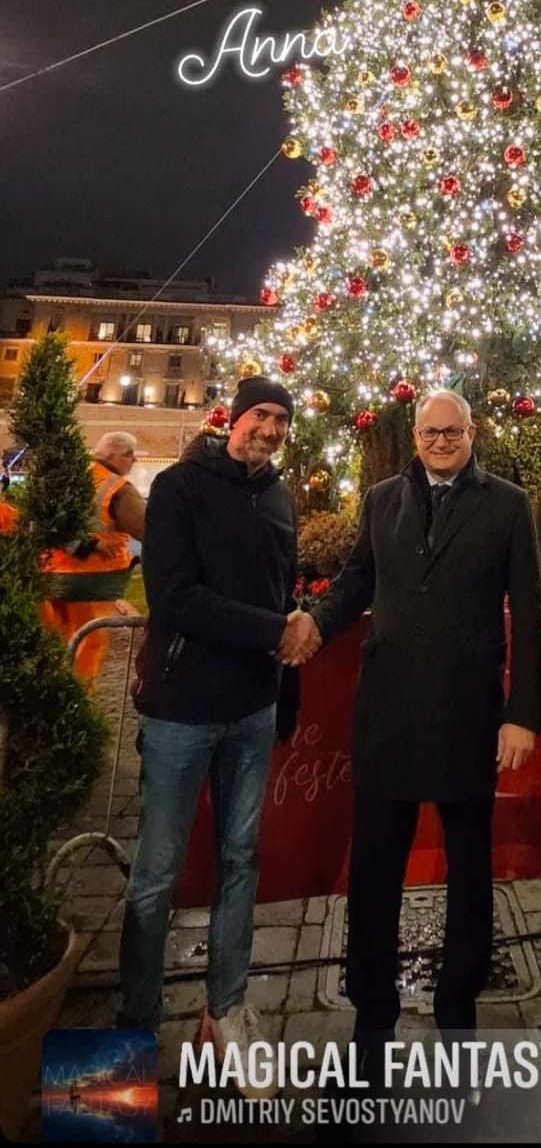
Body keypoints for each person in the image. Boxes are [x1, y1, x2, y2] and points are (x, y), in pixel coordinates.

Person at [306, 388, 541, 1067]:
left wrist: (522, 711)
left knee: (471, 871)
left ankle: (457, 1003)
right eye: (430, 432)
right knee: (375, 873)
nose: (441, 442)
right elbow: (354, 584)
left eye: (453, 431)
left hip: (468, 717)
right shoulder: (382, 500)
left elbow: (528, 612)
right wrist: (314, 626)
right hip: (388, 716)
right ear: (414, 438)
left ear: (473, 434)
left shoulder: (507, 505)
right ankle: (373, 1011)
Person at [118, 377, 318, 1089]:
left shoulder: (279, 495)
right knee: (156, 876)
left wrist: (283, 687)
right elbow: (176, 596)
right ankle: (134, 1033)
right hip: (182, 708)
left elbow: (282, 594)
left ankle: (225, 1009)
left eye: (280, 420)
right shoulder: (179, 487)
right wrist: (276, 630)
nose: (269, 429)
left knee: (241, 860)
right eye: (260, 415)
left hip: (251, 710)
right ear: (233, 419)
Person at [41, 432, 147, 680]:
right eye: (128, 454)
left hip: (51, 576)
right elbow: (147, 529)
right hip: (92, 581)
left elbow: (47, 521)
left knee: (57, 642)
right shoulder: (118, 489)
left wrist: (77, 544)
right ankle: (76, 702)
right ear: (110, 454)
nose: (133, 461)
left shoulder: (72, 477)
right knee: (91, 642)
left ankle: (48, 695)